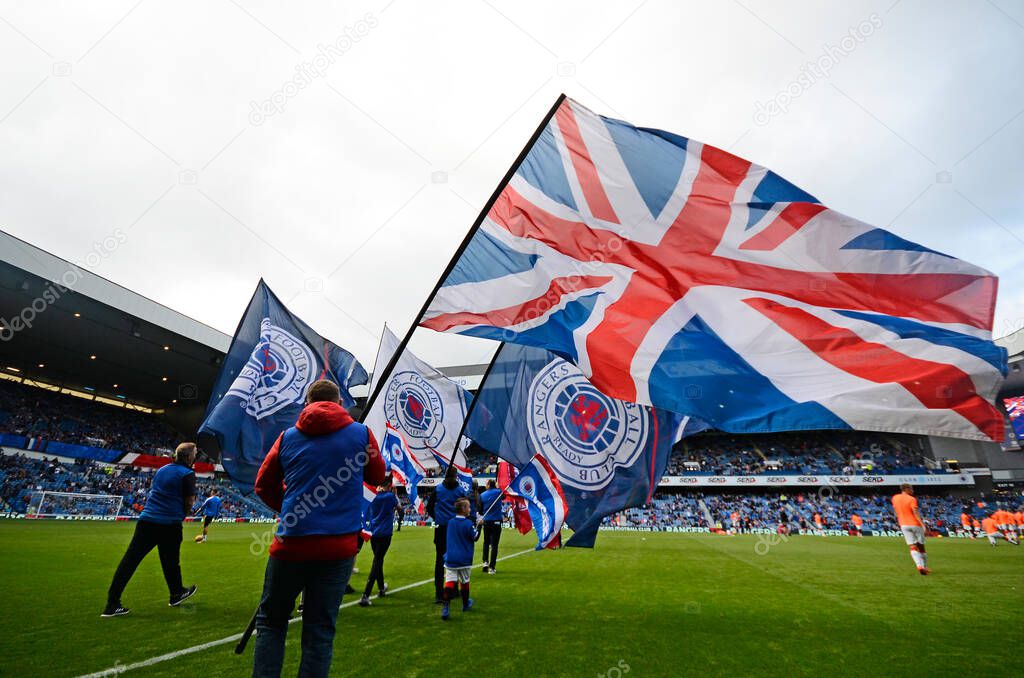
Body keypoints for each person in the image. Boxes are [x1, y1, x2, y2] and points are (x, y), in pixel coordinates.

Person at [252, 379, 385, 678]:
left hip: (292, 543)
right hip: (337, 548)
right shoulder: (362, 433)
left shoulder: (287, 437)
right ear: (339, 402)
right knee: (320, 630)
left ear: (307, 402)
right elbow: (377, 475)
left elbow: (262, 485)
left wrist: (289, 509)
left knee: (271, 623)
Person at [102, 442, 199, 617]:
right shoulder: (187, 474)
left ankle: (112, 603)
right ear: (188, 456)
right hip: (169, 523)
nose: (196, 457)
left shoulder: (162, 470)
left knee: (129, 561)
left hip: (147, 521)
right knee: (170, 562)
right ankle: (176, 593)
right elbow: (189, 501)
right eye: (195, 454)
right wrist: (182, 515)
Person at [426, 465, 475, 603]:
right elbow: (465, 507)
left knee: (439, 561)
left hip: (441, 528)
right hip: (455, 529)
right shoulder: (460, 490)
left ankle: (438, 594)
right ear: (455, 476)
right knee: (454, 560)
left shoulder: (439, 489)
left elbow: (429, 507)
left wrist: (437, 517)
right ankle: (453, 590)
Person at [359, 476, 399, 607]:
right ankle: (366, 594)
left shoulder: (373, 496)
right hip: (385, 533)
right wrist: (395, 495)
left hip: (374, 533)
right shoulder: (390, 497)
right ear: (389, 485)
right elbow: (400, 508)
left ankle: (381, 588)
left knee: (378, 559)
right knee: (377, 562)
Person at [441, 497, 480, 620]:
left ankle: (446, 608)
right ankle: (465, 604)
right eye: (468, 507)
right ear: (463, 509)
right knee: (464, 582)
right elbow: (475, 537)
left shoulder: (451, 522)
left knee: (449, 583)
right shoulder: (468, 524)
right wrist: (479, 526)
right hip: (464, 559)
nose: (470, 509)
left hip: (451, 558)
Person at [891, 484, 929, 575]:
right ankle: (924, 567)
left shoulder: (895, 498)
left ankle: (919, 566)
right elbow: (915, 512)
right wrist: (922, 524)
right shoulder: (912, 499)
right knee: (921, 547)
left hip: (903, 524)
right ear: (906, 489)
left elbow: (896, 511)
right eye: (911, 488)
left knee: (912, 547)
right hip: (915, 524)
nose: (913, 490)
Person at [479, 480, 503, 574]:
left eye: (486, 484)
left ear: (489, 485)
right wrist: (498, 487)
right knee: (494, 545)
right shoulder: (498, 492)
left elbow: (480, 510)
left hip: (487, 521)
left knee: (486, 542)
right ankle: (492, 567)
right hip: (496, 521)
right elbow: (504, 496)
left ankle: (485, 562)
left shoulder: (482, 495)